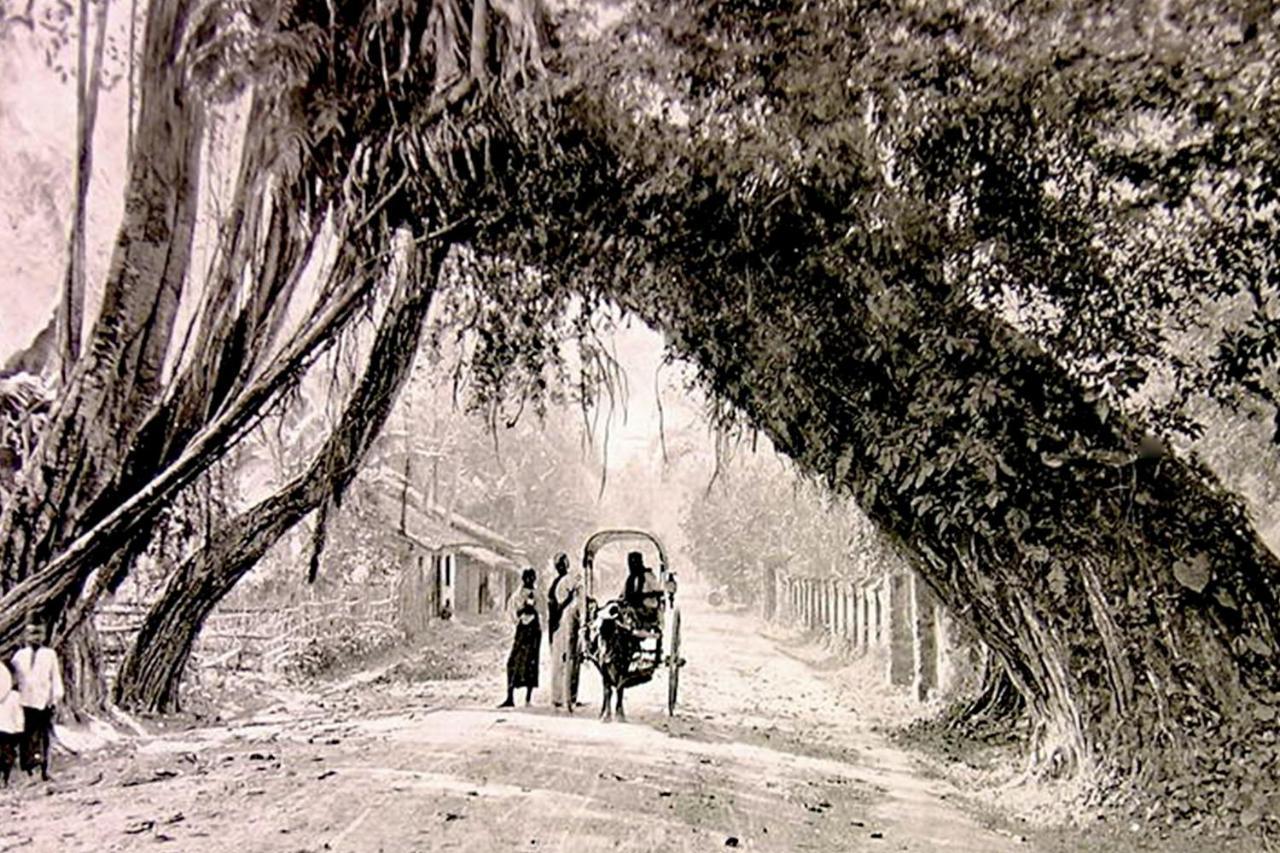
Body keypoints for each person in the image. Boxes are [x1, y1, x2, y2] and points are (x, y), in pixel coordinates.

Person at [11, 619, 63, 781]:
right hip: (25, 701)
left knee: (44, 735)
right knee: (26, 735)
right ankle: (28, 768)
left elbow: (55, 679)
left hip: (44, 701)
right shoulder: (19, 656)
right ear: (25, 636)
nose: (35, 638)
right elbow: (14, 680)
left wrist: (54, 698)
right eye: (32, 633)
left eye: (38, 633)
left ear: (44, 635)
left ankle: (45, 768)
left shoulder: (49, 654)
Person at [500, 568, 545, 708]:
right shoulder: (517, 595)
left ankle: (528, 698)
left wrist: (535, 612)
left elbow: (543, 612)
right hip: (522, 631)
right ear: (523, 579)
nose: (530, 581)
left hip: (534, 631)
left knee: (531, 663)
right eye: (527, 578)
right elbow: (512, 612)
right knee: (513, 662)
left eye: (532, 578)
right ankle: (510, 696)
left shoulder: (538, 594)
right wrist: (522, 611)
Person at [547, 554, 580, 710]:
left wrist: (565, 603)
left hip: (566, 621)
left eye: (562, 564)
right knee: (557, 660)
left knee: (566, 659)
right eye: (557, 565)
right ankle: (557, 696)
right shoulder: (556, 582)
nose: (559, 567)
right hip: (556, 623)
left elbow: (570, 601)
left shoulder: (569, 580)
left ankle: (567, 696)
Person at [0, 661, 23, 786]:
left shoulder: (14, 696)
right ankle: (6, 778)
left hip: (5, 728)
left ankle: (5, 778)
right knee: (7, 753)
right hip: (9, 729)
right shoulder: (14, 696)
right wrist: (19, 729)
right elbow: (18, 715)